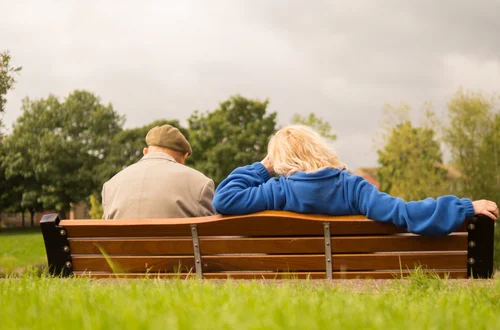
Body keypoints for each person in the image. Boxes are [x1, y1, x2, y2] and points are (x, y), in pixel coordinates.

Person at [212, 125, 498, 236]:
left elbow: (224, 199)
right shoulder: (353, 187)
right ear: (319, 149)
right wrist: (463, 207)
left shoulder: (277, 190)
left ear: (281, 161)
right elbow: (404, 213)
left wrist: (264, 167)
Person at [102, 124, 215, 219]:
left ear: (145, 151)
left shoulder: (110, 186)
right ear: (184, 156)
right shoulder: (201, 184)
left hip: (121, 247)